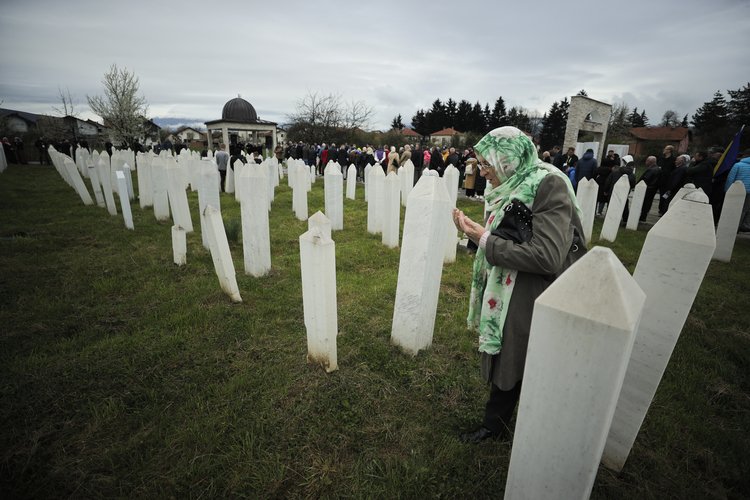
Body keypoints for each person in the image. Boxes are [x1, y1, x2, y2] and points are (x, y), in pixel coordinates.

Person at [452, 126, 585, 443]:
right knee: (509, 354)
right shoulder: (514, 183)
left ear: (508, 159)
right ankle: (499, 422)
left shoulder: (548, 184)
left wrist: (481, 239)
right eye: (481, 164)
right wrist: (479, 239)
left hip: (532, 288)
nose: (483, 172)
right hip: (510, 280)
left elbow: (547, 256)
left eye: (488, 164)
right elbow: (511, 231)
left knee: (515, 355)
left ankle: (495, 428)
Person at [724, 150, 750, 232]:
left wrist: (727, 190)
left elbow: (730, 178)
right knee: (745, 209)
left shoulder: (738, 165)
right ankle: (742, 225)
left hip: (737, 190)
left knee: (734, 209)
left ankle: (732, 226)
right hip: (749, 192)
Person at [638, 156, 661, 221]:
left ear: (650, 162)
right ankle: (643, 216)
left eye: (647, 161)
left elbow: (645, 179)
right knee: (648, 203)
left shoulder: (651, 170)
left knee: (645, 203)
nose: (645, 162)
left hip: (648, 189)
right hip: (653, 189)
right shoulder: (657, 169)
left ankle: (642, 217)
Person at [657, 145, 677, 215]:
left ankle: (663, 210)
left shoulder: (673, 159)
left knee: (665, 196)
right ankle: (660, 209)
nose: (664, 150)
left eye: (666, 149)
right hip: (661, 179)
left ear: (669, 150)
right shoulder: (662, 158)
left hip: (668, 181)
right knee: (661, 195)